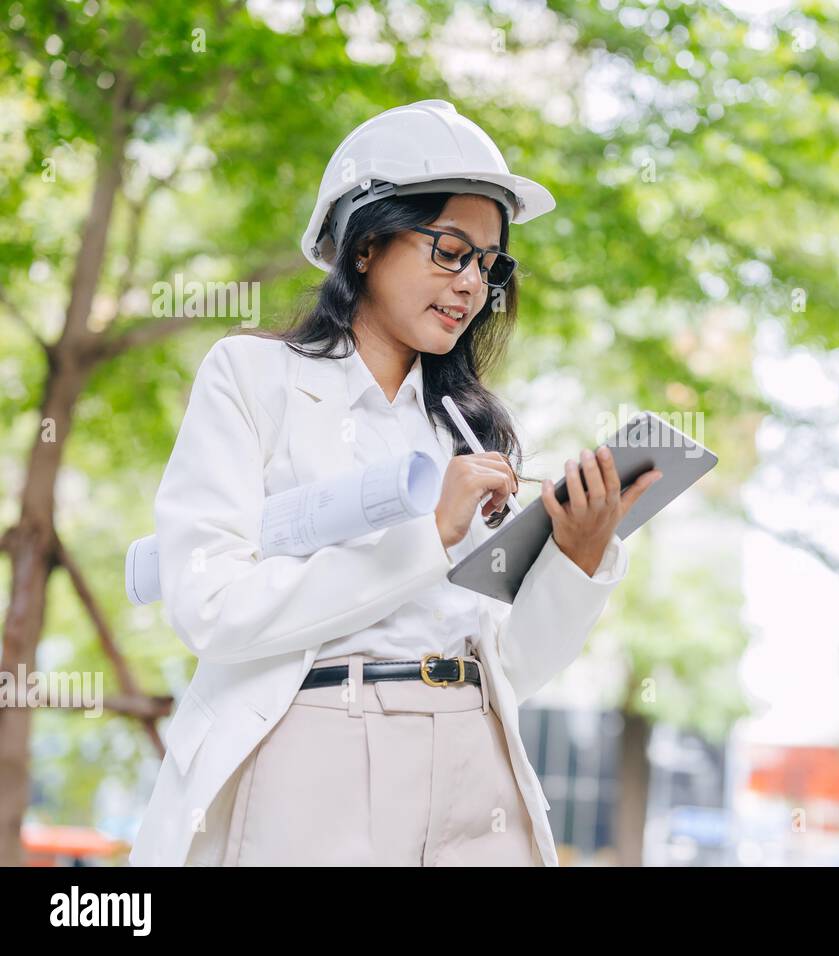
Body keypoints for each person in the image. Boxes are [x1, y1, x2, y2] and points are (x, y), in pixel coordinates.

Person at [129, 100, 661, 866]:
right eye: (450, 250)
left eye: (488, 263)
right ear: (367, 244)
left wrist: (578, 556)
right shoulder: (253, 379)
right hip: (316, 743)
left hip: (476, 753)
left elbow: (511, 667)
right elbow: (211, 608)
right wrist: (430, 535)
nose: (472, 284)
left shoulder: (472, 430)